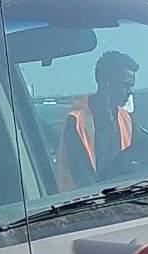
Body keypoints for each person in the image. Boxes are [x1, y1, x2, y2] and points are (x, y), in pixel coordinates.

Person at [54, 50, 142, 189]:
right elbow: (83, 180)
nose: (130, 91)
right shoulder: (77, 120)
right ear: (105, 82)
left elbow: (145, 151)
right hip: (78, 205)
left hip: (120, 199)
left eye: (131, 86)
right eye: (125, 85)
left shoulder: (126, 119)